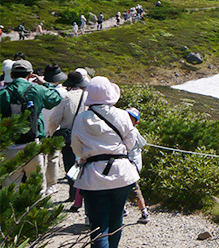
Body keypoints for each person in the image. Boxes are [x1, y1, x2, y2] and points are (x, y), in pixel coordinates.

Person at [71, 77, 139, 248]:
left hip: (94, 176)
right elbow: (131, 141)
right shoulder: (123, 115)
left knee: (99, 225)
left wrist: (87, 155)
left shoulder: (81, 118)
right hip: (121, 173)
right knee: (116, 220)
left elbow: (76, 147)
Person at [0, 60, 62, 194]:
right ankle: (35, 211)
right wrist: (45, 83)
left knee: (10, 189)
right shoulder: (37, 90)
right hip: (32, 144)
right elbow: (56, 98)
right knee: (36, 186)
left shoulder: (3, 94)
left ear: (11, 74)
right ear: (30, 74)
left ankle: (13, 214)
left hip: (9, 146)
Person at [48, 71, 87, 202]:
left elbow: (54, 120)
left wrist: (51, 134)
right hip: (87, 137)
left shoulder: (65, 98)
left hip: (69, 136)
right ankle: (85, 195)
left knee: (70, 166)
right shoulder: (89, 96)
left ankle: (73, 195)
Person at [42, 64, 68, 196]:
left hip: (40, 128)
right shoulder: (63, 93)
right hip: (55, 129)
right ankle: (51, 185)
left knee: (40, 158)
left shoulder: (38, 89)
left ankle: (39, 183)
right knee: (53, 158)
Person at [125, 107, 150, 224]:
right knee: (123, 188)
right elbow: (142, 144)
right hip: (132, 164)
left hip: (131, 165)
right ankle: (123, 209)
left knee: (134, 189)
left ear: (136, 122)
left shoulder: (132, 131)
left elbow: (141, 143)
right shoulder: (133, 130)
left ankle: (144, 212)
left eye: (131, 118)